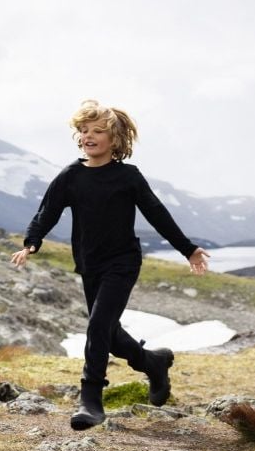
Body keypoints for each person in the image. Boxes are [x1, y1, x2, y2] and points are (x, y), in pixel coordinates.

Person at [11, 99, 209, 431]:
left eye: (97, 131)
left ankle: (90, 400)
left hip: (123, 262)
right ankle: (153, 362)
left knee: (98, 326)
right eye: (83, 130)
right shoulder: (71, 176)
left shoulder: (128, 177)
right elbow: (47, 212)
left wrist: (187, 249)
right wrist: (32, 242)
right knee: (110, 335)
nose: (87, 136)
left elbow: (157, 214)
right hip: (90, 265)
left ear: (115, 139)